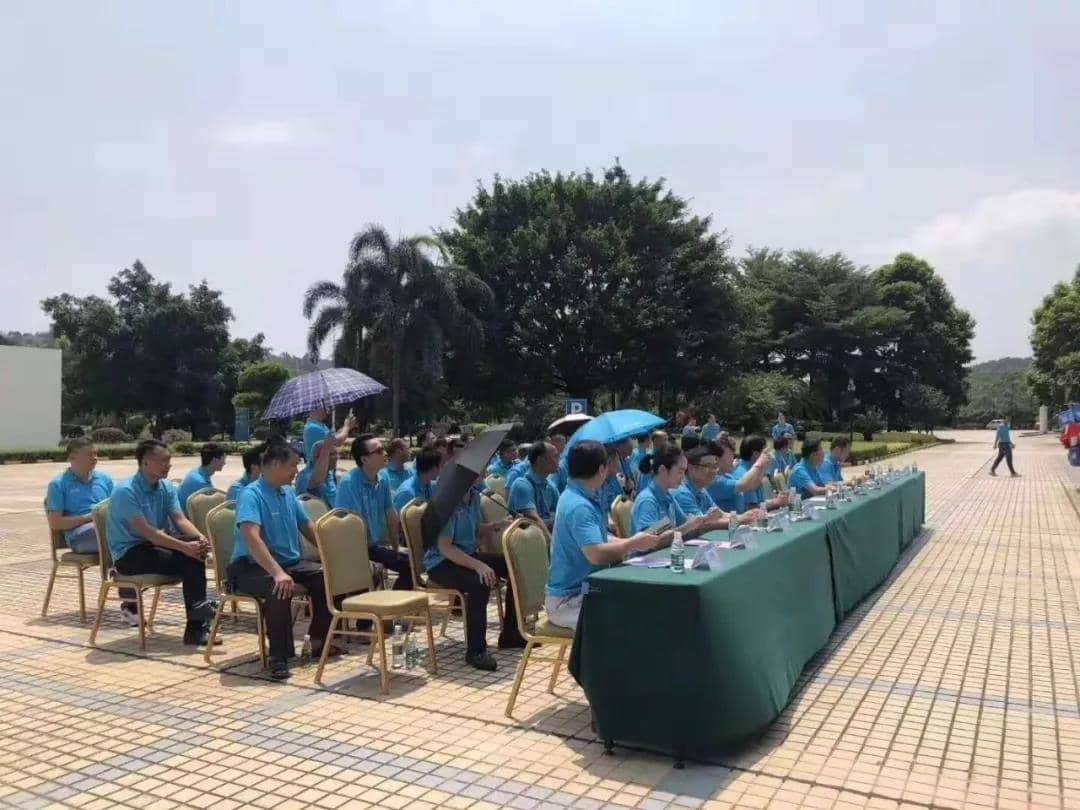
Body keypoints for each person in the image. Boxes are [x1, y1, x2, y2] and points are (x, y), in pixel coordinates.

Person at [228, 441, 334, 681]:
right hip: (250, 566)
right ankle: (279, 656)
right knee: (279, 588)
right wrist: (277, 572)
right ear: (276, 464)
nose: (296, 471)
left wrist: (331, 553)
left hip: (289, 563)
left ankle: (318, 642)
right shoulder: (251, 494)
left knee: (327, 576)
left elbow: (307, 526)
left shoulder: (288, 493)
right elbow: (252, 537)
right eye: (292, 465)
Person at [105, 440, 216, 645]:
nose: (168, 465)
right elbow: (149, 533)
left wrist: (201, 539)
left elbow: (180, 520)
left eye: (169, 460)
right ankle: (197, 620)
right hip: (129, 554)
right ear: (145, 463)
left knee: (194, 548)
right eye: (163, 461)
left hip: (153, 546)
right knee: (190, 557)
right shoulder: (126, 491)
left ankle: (198, 614)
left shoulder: (166, 487)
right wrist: (186, 548)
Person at [545, 441, 661, 630]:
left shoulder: (582, 496)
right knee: (633, 621)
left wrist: (631, 542)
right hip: (568, 601)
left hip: (587, 589)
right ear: (601, 469)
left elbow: (601, 538)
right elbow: (596, 554)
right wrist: (632, 543)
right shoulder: (579, 506)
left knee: (644, 601)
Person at [424, 475, 524, 670]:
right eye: (479, 472)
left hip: (466, 555)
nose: (483, 474)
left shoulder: (474, 496)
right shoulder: (447, 502)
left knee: (513, 566)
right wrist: (478, 565)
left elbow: (474, 529)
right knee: (480, 583)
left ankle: (511, 632)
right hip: (442, 563)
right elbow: (446, 547)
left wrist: (496, 525)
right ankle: (476, 651)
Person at [336, 434, 414, 590]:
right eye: (379, 451)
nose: (385, 453)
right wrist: (366, 559)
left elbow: (391, 515)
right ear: (364, 459)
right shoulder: (349, 483)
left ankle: (393, 603)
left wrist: (396, 548)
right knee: (378, 572)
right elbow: (354, 526)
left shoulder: (383, 478)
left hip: (374, 546)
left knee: (411, 563)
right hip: (353, 547)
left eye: (383, 449)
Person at [46, 438, 115, 555]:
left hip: (108, 529)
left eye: (95, 454)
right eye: (89, 454)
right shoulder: (58, 484)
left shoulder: (105, 480)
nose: (95, 458)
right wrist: (90, 518)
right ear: (72, 457)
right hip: (80, 538)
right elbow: (55, 523)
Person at [631, 445, 711, 536]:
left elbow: (684, 523)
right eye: (680, 472)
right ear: (662, 470)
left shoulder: (668, 496)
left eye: (684, 472)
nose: (683, 477)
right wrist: (688, 526)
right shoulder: (647, 500)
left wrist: (701, 520)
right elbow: (650, 539)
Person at [672, 446, 757, 528]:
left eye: (715, 466)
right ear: (692, 468)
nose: (714, 471)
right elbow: (702, 525)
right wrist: (740, 520)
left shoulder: (701, 489)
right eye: (708, 466)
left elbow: (720, 514)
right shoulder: (682, 493)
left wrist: (746, 516)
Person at [706, 435, 772, 512]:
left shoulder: (728, 476)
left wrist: (763, 465)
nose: (732, 458)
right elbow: (744, 485)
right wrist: (760, 462)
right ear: (716, 459)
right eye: (730, 455)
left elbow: (752, 486)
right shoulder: (715, 481)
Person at [508, 441, 560, 536]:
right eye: (555, 456)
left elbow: (562, 513)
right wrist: (553, 543)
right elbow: (533, 519)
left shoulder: (550, 485)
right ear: (540, 460)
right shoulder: (521, 485)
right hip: (528, 540)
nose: (559, 460)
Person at [177, 442, 227, 513]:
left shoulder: (196, 472)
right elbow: (212, 512)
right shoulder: (202, 483)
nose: (224, 463)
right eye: (223, 459)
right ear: (214, 460)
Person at [393, 448, 443, 512]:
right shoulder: (407, 492)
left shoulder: (429, 485)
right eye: (440, 466)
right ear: (432, 468)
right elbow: (397, 517)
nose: (441, 470)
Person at [294, 440, 339, 506]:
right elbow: (309, 506)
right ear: (317, 457)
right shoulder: (306, 477)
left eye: (337, 454)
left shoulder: (329, 473)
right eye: (331, 454)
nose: (337, 457)